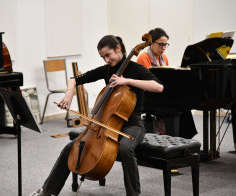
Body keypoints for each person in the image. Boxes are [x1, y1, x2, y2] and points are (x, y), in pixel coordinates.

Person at [30, 35, 163, 196]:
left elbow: (158, 87)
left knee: (126, 149)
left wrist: (127, 81)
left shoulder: (136, 69)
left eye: (108, 55)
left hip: (132, 124)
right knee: (69, 148)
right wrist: (69, 93)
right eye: (102, 57)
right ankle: (47, 191)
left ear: (118, 49)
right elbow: (74, 79)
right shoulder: (107, 70)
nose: (106, 60)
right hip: (104, 123)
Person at [137, 28, 197, 139]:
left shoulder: (163, 57)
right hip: (148, 96)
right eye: (161, 44)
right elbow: (147, 83)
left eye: (166, 45)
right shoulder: (143, 57)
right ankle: (171, 139)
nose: (163, 48)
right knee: (173, 107)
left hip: (160, 94)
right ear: (151, 43)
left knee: (184, 105)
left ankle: (184, 139)